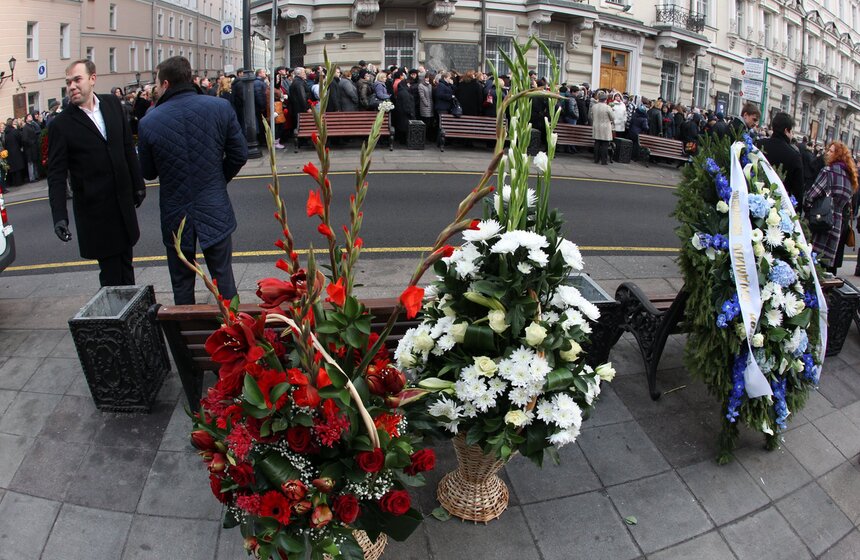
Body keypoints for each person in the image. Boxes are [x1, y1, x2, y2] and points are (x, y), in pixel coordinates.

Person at [137, 56, 248, 305]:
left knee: (182, 282)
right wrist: (219, 178)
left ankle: (185, 339)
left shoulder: (148, 122)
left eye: (156, 81)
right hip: (213, 202)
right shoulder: (219, 107)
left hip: (176, 210)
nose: (155, 87)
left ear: (165, 83)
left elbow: (149, 172)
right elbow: (239, 154)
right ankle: (235, 335)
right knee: (223, 277)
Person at [47, 59, 146, 286]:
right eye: (68, 82)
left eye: (77, 80)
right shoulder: (61, 125)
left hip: (122, 205)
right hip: (96, 214)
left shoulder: (112, 105)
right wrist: (59, 217)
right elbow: (56, 175)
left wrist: (137, 184)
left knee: (126, 266)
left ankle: (131, 316)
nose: (71, 86)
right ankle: (115, 320)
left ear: (92, 79)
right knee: (111, 276)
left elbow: (127, 148)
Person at [803, 142, 858, 274]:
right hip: (837, 224)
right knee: (826, 266)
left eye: (831, 151)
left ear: (837, 155)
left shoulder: (828, 172)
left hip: (822, 218)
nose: (827, 153)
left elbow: (811, 195)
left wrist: (808, 209)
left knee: (812, 262)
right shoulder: (850, 178)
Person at [760, 112, 804, 204]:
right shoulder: (794, 155)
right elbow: (798, 190)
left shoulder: (759, 144)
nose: (792, 135)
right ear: (786, 131)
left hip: (756, 197)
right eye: (791, 131)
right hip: (780, 206)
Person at [589, 91, 613, 165]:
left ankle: (596, 159)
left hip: (596, 126)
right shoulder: (607, 107)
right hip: (605, 127)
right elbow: (612, 117)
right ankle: (604, 161)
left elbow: (590, 116)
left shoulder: (594, 106)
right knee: (605, 145)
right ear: (605, 100)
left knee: (597, 144)